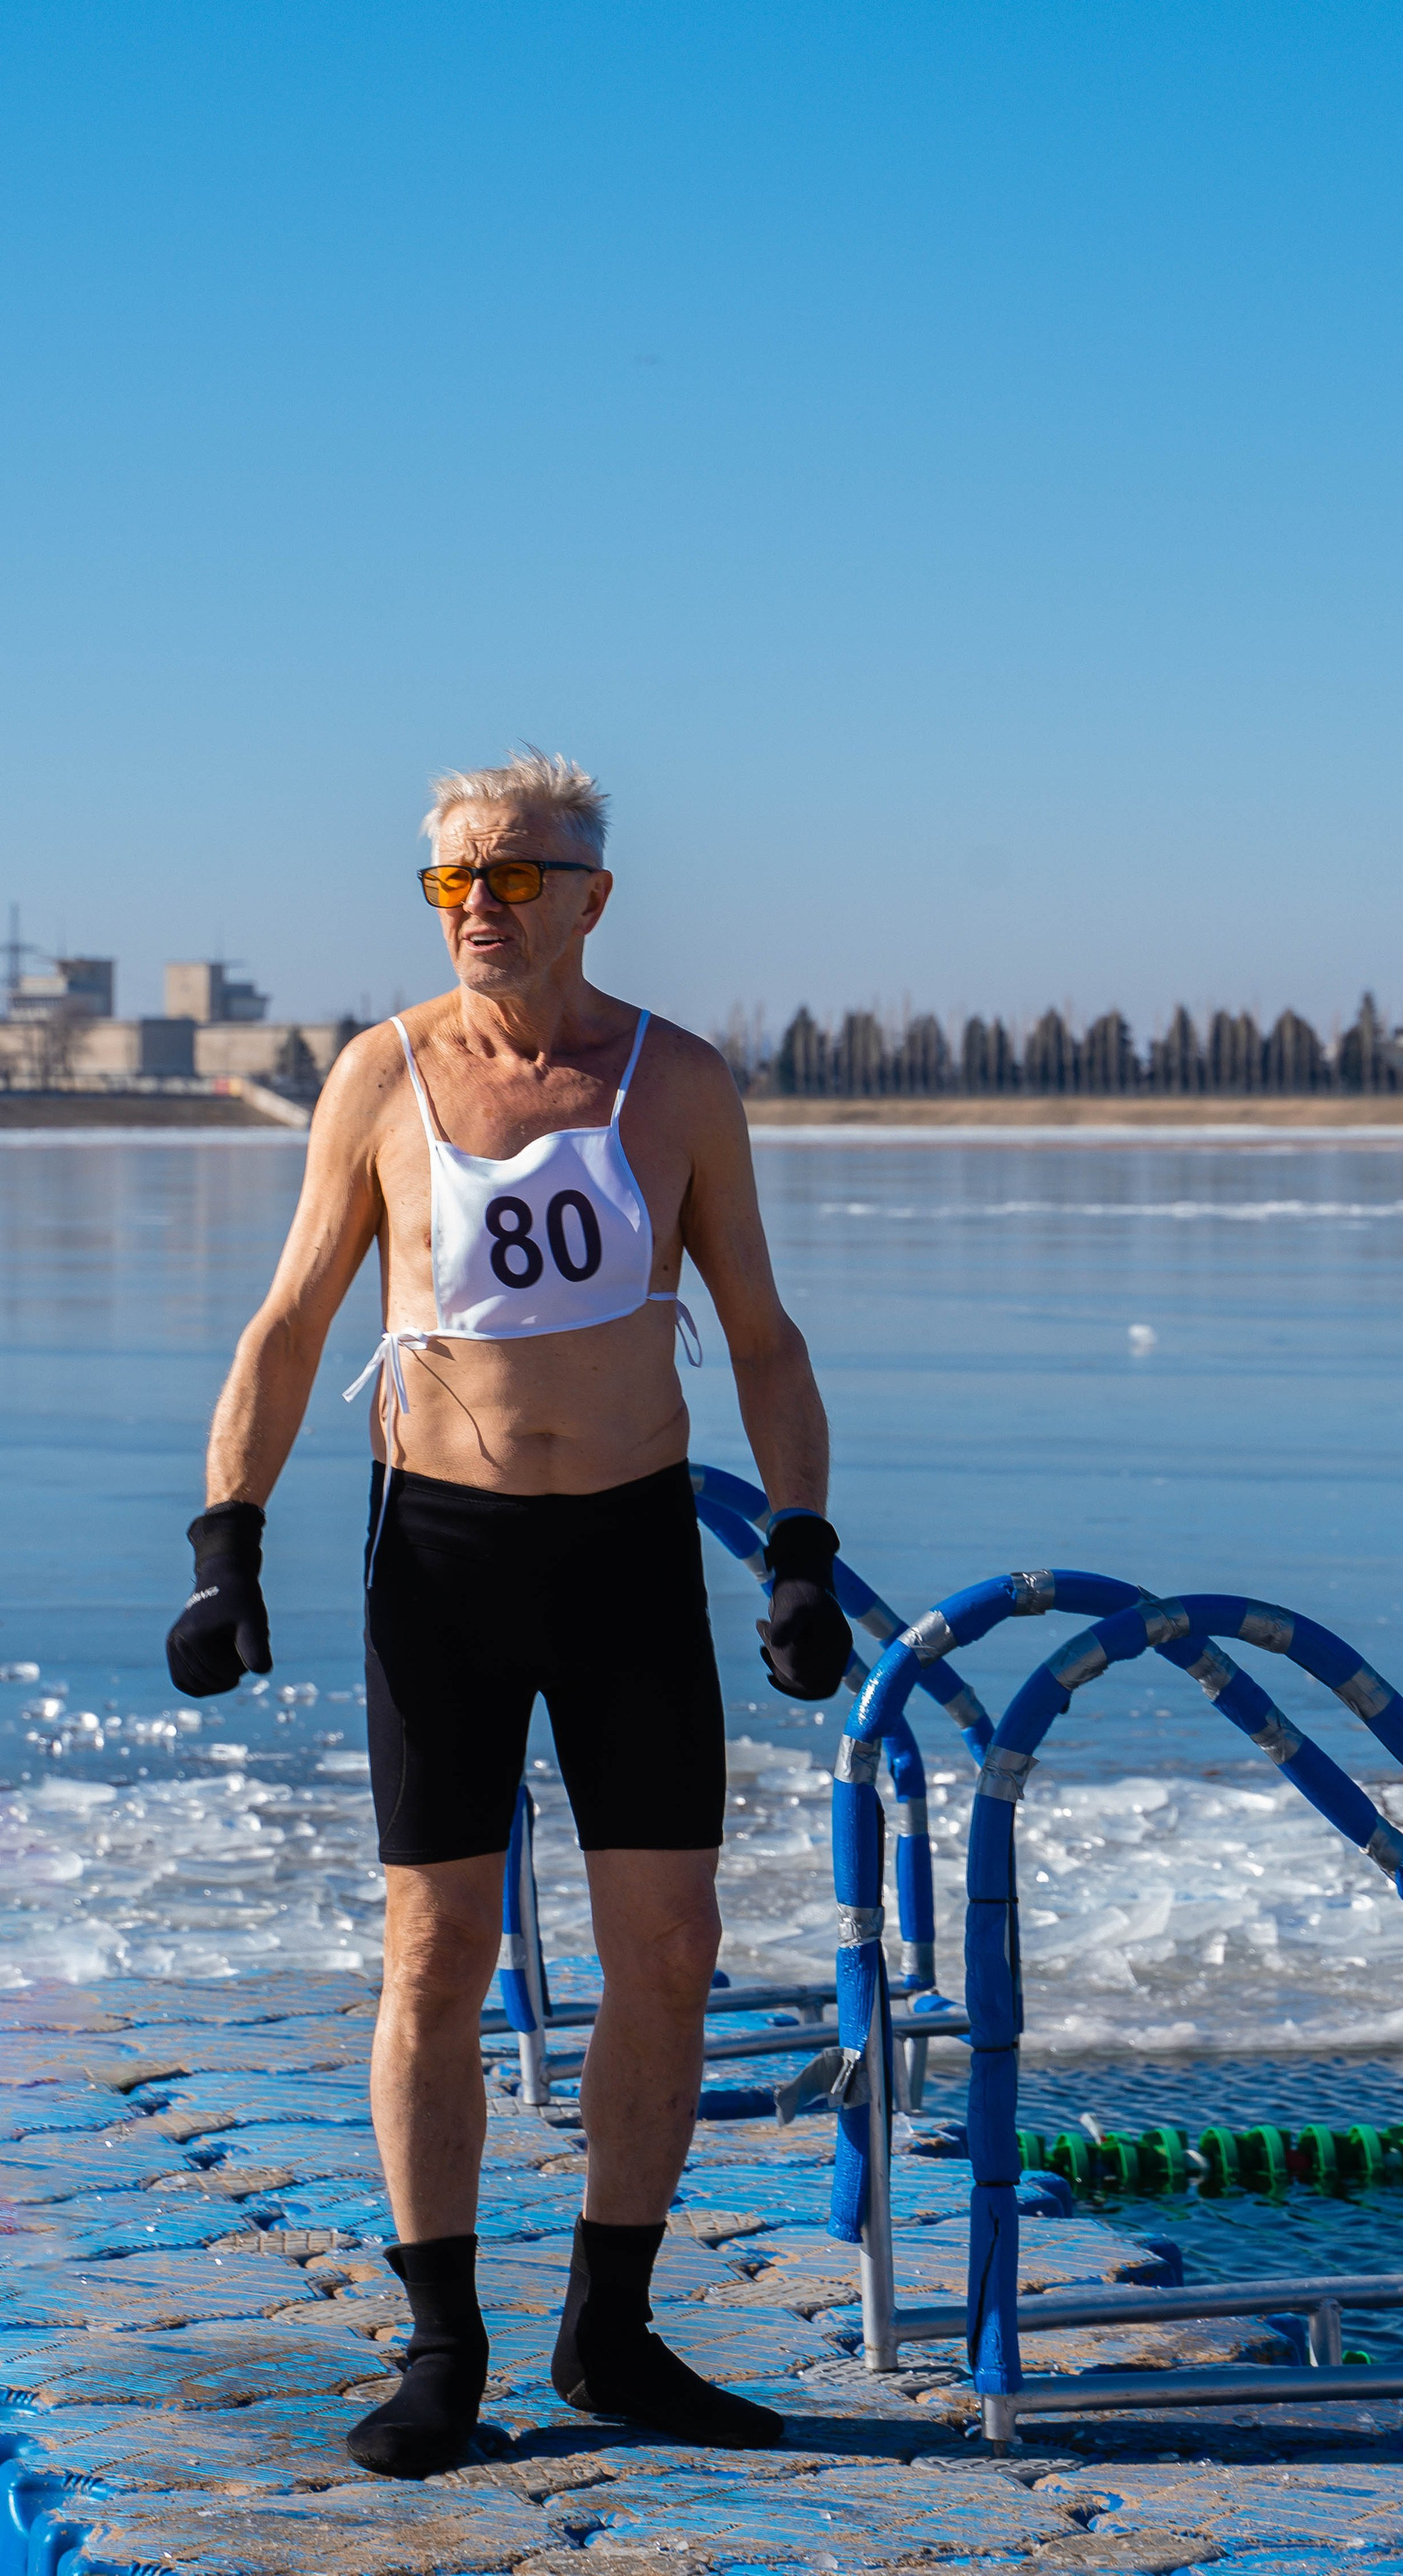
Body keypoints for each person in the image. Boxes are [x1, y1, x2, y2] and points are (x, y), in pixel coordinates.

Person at [165, 750, 852, 2477]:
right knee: (434, 1957)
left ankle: (610, 2335)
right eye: (451, 881)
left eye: (514, 876)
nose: (479, 904)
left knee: (671, 1953)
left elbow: (760, 1334)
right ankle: (441, 2347)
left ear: (592, 895)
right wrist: (224, 1541)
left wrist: (798, 1550)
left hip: (625, 1559)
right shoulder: (382, 1078)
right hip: (447, 1569)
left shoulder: (675, 1082)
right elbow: (289, 1322)